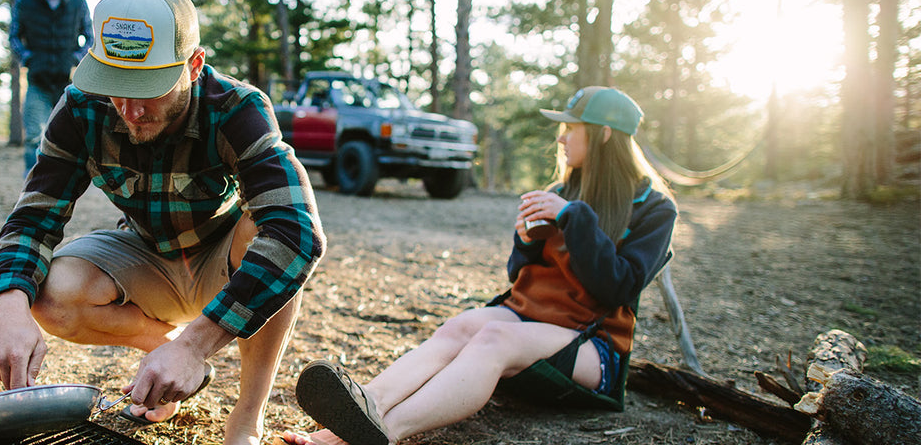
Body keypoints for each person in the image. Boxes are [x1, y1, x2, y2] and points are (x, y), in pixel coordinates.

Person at [0, 0, 326, 445]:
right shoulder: (82, 110)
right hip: (145, 254)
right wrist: (7, 306)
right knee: (50, 294)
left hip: (223, 260)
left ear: (194, 64)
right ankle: (164, 353)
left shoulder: (238, 109)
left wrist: (196, 344)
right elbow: (33, 220)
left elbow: (297, 235)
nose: (131, 110)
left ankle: (246, 417)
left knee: (266, 233)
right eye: (116, 87)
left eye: (148, 88)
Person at [281, 86, 677, 445]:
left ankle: (383, 432)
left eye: (571, 129)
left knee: (493, 340)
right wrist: (524, 242)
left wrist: (573, 219)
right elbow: (518, 276)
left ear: (604, 134)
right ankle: (366, 406)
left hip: (593, 349)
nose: (560, 138)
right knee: (460, 326)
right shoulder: (563, 193)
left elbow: (620, 287)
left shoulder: (654, 207)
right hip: (532, 319)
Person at [10, 0, 92, 176]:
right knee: (34, 136)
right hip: (37, 81)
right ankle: (32, 183)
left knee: (70, 135)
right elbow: (14, 36)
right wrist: (28, 58)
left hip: (68, 83)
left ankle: (67, 179)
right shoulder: (25, 1)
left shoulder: (78, 3)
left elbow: (90, 38)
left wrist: (75, 58)